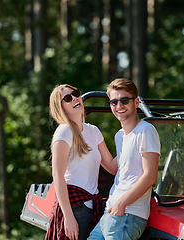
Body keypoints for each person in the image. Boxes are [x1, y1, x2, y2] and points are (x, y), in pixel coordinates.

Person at [88, 78, 161, 240]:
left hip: (129, 213)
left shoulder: (146, 130)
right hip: (111, 212)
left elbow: (150, 176)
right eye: (114, 102)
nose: (119, 106)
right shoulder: (120, 136)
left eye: (124, 100)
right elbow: (114, 168)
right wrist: (89, 140)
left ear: (136, 102)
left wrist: (122, 204)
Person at [45, 84, 117, 240]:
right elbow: (58, 176)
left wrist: (130, 140)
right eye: (67, 98)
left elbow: (112, 167)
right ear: (61, 107)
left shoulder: (93, 131)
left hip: (94, 204)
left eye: (75, 93)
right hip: (75, 205)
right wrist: (68, 217)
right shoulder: (64, 131)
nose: (75, 98)